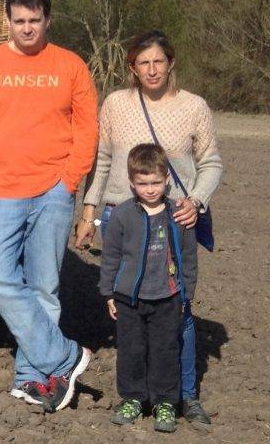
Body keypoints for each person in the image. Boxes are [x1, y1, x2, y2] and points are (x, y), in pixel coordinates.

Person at [0, 0, 98, 412]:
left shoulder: (71, 66)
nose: (27, 28)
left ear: (47, 20)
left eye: (35, 20)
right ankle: (65, 356)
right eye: (20, 21)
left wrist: (68, 180)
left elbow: (87, 128)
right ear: (8, 22)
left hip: (52, 190)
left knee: (44, 286)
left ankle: (36, 379)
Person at [77, 29, 221, 424]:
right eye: (144, 63)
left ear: (171, 63)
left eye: (159, 61)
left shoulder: (194, 107)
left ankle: (185, 395)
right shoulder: (116, 104)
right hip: (120, 217)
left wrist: (196, 201)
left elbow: (211, 163)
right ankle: (136, 395)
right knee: (130, 308)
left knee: (181, 311)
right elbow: (102, 161)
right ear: (133, 68)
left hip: (173, 219)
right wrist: (89, 213)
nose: (152, 70)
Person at [100, 143, 197, 434]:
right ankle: (133, 398)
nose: (150, 189)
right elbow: (111, 257)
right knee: (130, 350)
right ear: (131, 182)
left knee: (165, 350)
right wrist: (108, 293)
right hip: (129, 298)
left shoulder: (178, 215)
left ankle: (165, 401)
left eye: (156, 182)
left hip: (167, 296)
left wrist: (186, 293)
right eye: (143, 183)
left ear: (167, 178)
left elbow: (189, 257)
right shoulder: (122, 215)